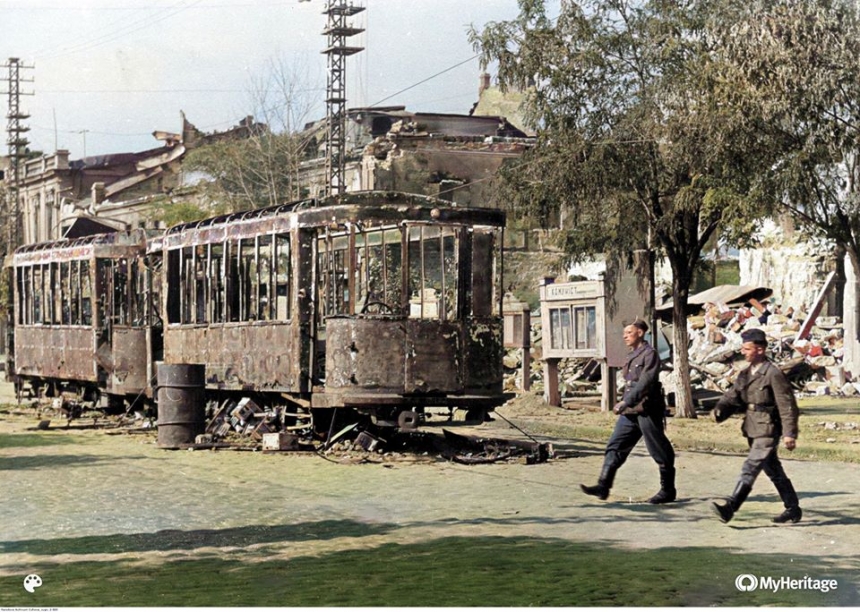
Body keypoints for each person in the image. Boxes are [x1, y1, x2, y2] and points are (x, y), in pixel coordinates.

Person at [711, 328, 802, 524]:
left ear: (760, 350)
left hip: (768, 428)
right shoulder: (745, 373)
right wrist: (720, 409)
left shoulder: (773, 373)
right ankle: (793, 508)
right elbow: (733, 395)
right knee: (773, 470)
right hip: (752, 427)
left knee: (751, 466)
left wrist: (789, 433)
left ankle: (730, 507)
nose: (743, 352)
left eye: (747, 349)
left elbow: (787, 405)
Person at [580, 320, 677, 504]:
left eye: (629, 332)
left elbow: (645, 382)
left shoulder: (650, 355)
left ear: (640, 333)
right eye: (624, 332)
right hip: (631, 411)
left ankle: (668, 490)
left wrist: (625, 401)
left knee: (659, 449)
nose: (625, 336)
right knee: (615, 445)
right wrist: (627, 404)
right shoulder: (631, 355)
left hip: (647, 409)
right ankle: (603, 486)